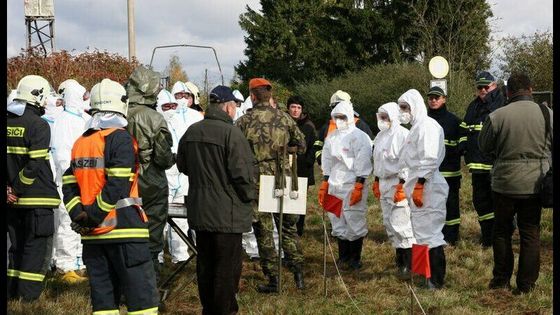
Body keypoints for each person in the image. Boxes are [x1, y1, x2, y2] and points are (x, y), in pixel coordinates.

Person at [62, 78, 158, 314]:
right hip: (125, 232)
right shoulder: (120, 138)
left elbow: (68, 182)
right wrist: (94, 215)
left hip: (93, 237)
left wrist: (80, 215)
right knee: (142, 301)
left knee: (103, 302)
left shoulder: (81, 142)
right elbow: (117, 185)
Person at [177, 85, 255, 315]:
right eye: (234, 106)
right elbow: (242, 175)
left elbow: (182, 166)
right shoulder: (232, 134)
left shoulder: (191, 131)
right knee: (226, 268)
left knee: (206, 265)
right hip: (227, 213)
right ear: (229, 107)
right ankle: (224, 310)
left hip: (200, 210)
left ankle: (209, 309)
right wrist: (249, 197)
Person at [479, 72, 553, 295]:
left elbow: (484, 147)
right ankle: (526, 285)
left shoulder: (497, 115)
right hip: (535, 185)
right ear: (530, 89)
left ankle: (501, 280)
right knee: (530, 233)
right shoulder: (547, 113)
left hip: (504, 184)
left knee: (501, 232)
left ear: (508, 92)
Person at [236, 77, 307, 293]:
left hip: (258, 181)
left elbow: (234, 152)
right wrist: (287, 151)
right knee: (288, 228)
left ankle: (274, 281)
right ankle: (298, 276)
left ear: (252, 96)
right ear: (270, 96)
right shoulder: (284, 118)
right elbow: (302, 145)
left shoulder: (243, 122)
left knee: (264, 231)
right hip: (284, 178)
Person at [7, 75, 61, 302]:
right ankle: (28, 300)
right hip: (37, 200)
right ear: (37, 95)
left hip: (11, 201)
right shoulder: (39, 125)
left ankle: (11, 295)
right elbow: (34, 165)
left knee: (16, 248)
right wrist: (18, 189)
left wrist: (8, 191)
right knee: (36, 251)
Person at [125, 65, 175, 280]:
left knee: (125, 231)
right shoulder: (154, 118)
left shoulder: (118, 113)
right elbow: (163, 158)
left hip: (122, 182)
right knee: (152, 231)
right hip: (151, 181)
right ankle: (148, 280)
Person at [396, 89, 448, 289]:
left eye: (405, 107)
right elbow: (407, 160)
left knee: (431, 234)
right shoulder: (416, 128)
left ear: (415, 106)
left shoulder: (427, 126)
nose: (402, 111)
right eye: (401, 108)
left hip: (429, 187)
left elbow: (429, 158)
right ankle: (424, 274)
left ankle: (436, 280)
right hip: (419, 186)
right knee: (420, 233)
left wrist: (420, 183)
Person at [319, 100, 372, 270]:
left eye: (342, 117)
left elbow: (363, 161)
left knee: (354, 219)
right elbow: (326, 159)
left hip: (353, 182)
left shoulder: (360, 137)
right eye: (337, 117)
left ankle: (355, 259)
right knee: (337, 220)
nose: (339, 120)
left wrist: (359, 184)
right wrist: (325, 182)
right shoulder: (332, 136)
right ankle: (343, 257)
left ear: (350, 117)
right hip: (335, 182)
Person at [155, 89, 203, 265]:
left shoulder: (181, 122)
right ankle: (157, 255)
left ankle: (180, 254)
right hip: (162, 175)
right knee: (158, 218)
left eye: (172, 106)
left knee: (181, 216)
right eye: (166, 106)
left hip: (181, 175)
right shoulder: (154, 124)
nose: (170, 109)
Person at [51, 79, 92, 283]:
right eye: (83, 95)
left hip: (83, 180)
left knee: (80, 220)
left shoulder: (83, 118)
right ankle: (65, 266)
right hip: (68, 180)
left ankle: (79, 262)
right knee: (67, 221)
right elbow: (62, 155)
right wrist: (75, 174)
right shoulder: (63, 120)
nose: (86, 98)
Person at [461, 71, 505, 247]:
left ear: (494, 85)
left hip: (495, 165)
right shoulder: (473, 106)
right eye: (480, 87)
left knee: (499, 203)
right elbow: (464, 128)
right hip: (477, 166)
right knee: (481, 203)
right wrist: (463, 147)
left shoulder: (501, 103)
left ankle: (501, 236)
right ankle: (487, 236)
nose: (483, 90)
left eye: (486, 86)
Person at [372, 102, 415, 279]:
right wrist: (375, 179)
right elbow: (377, 160)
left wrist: (402, 183)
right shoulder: (381, 136)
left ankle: (408, 263)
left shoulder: (402, 135)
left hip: (398, 183)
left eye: (386, 117)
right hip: (383, 183)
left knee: (402, 224)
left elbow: (407, 161)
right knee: (390, 224)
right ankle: (399, 259)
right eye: (381, 117)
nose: (383, 120)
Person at [426, 86, 465, 246]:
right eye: (431, 98)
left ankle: (451, 237)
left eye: (437, 97)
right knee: (431, 204)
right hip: (428, 174)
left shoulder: (454, 121)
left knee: (451, 204)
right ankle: (434, 235)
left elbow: (462, 145)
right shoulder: (424, 121)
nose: (434, 100)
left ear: (444, 99)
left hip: (450, 173)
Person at [314, 90, 373, 166]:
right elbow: (317, 145)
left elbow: (370, 147)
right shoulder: (328, 125)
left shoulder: (360, 125)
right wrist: (321, 158)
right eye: (334, 107)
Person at [286, 95, 317, 236]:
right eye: (293, 107)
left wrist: (308, 162)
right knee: (286, 198)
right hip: (285, 168)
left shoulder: (309, 126)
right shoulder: (283, 123)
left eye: (298, 108)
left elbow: (314, 147)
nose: (295, 110)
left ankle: (299, 230)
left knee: (299, 202)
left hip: (303, 170)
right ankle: (286, 228)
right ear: (288, 108)